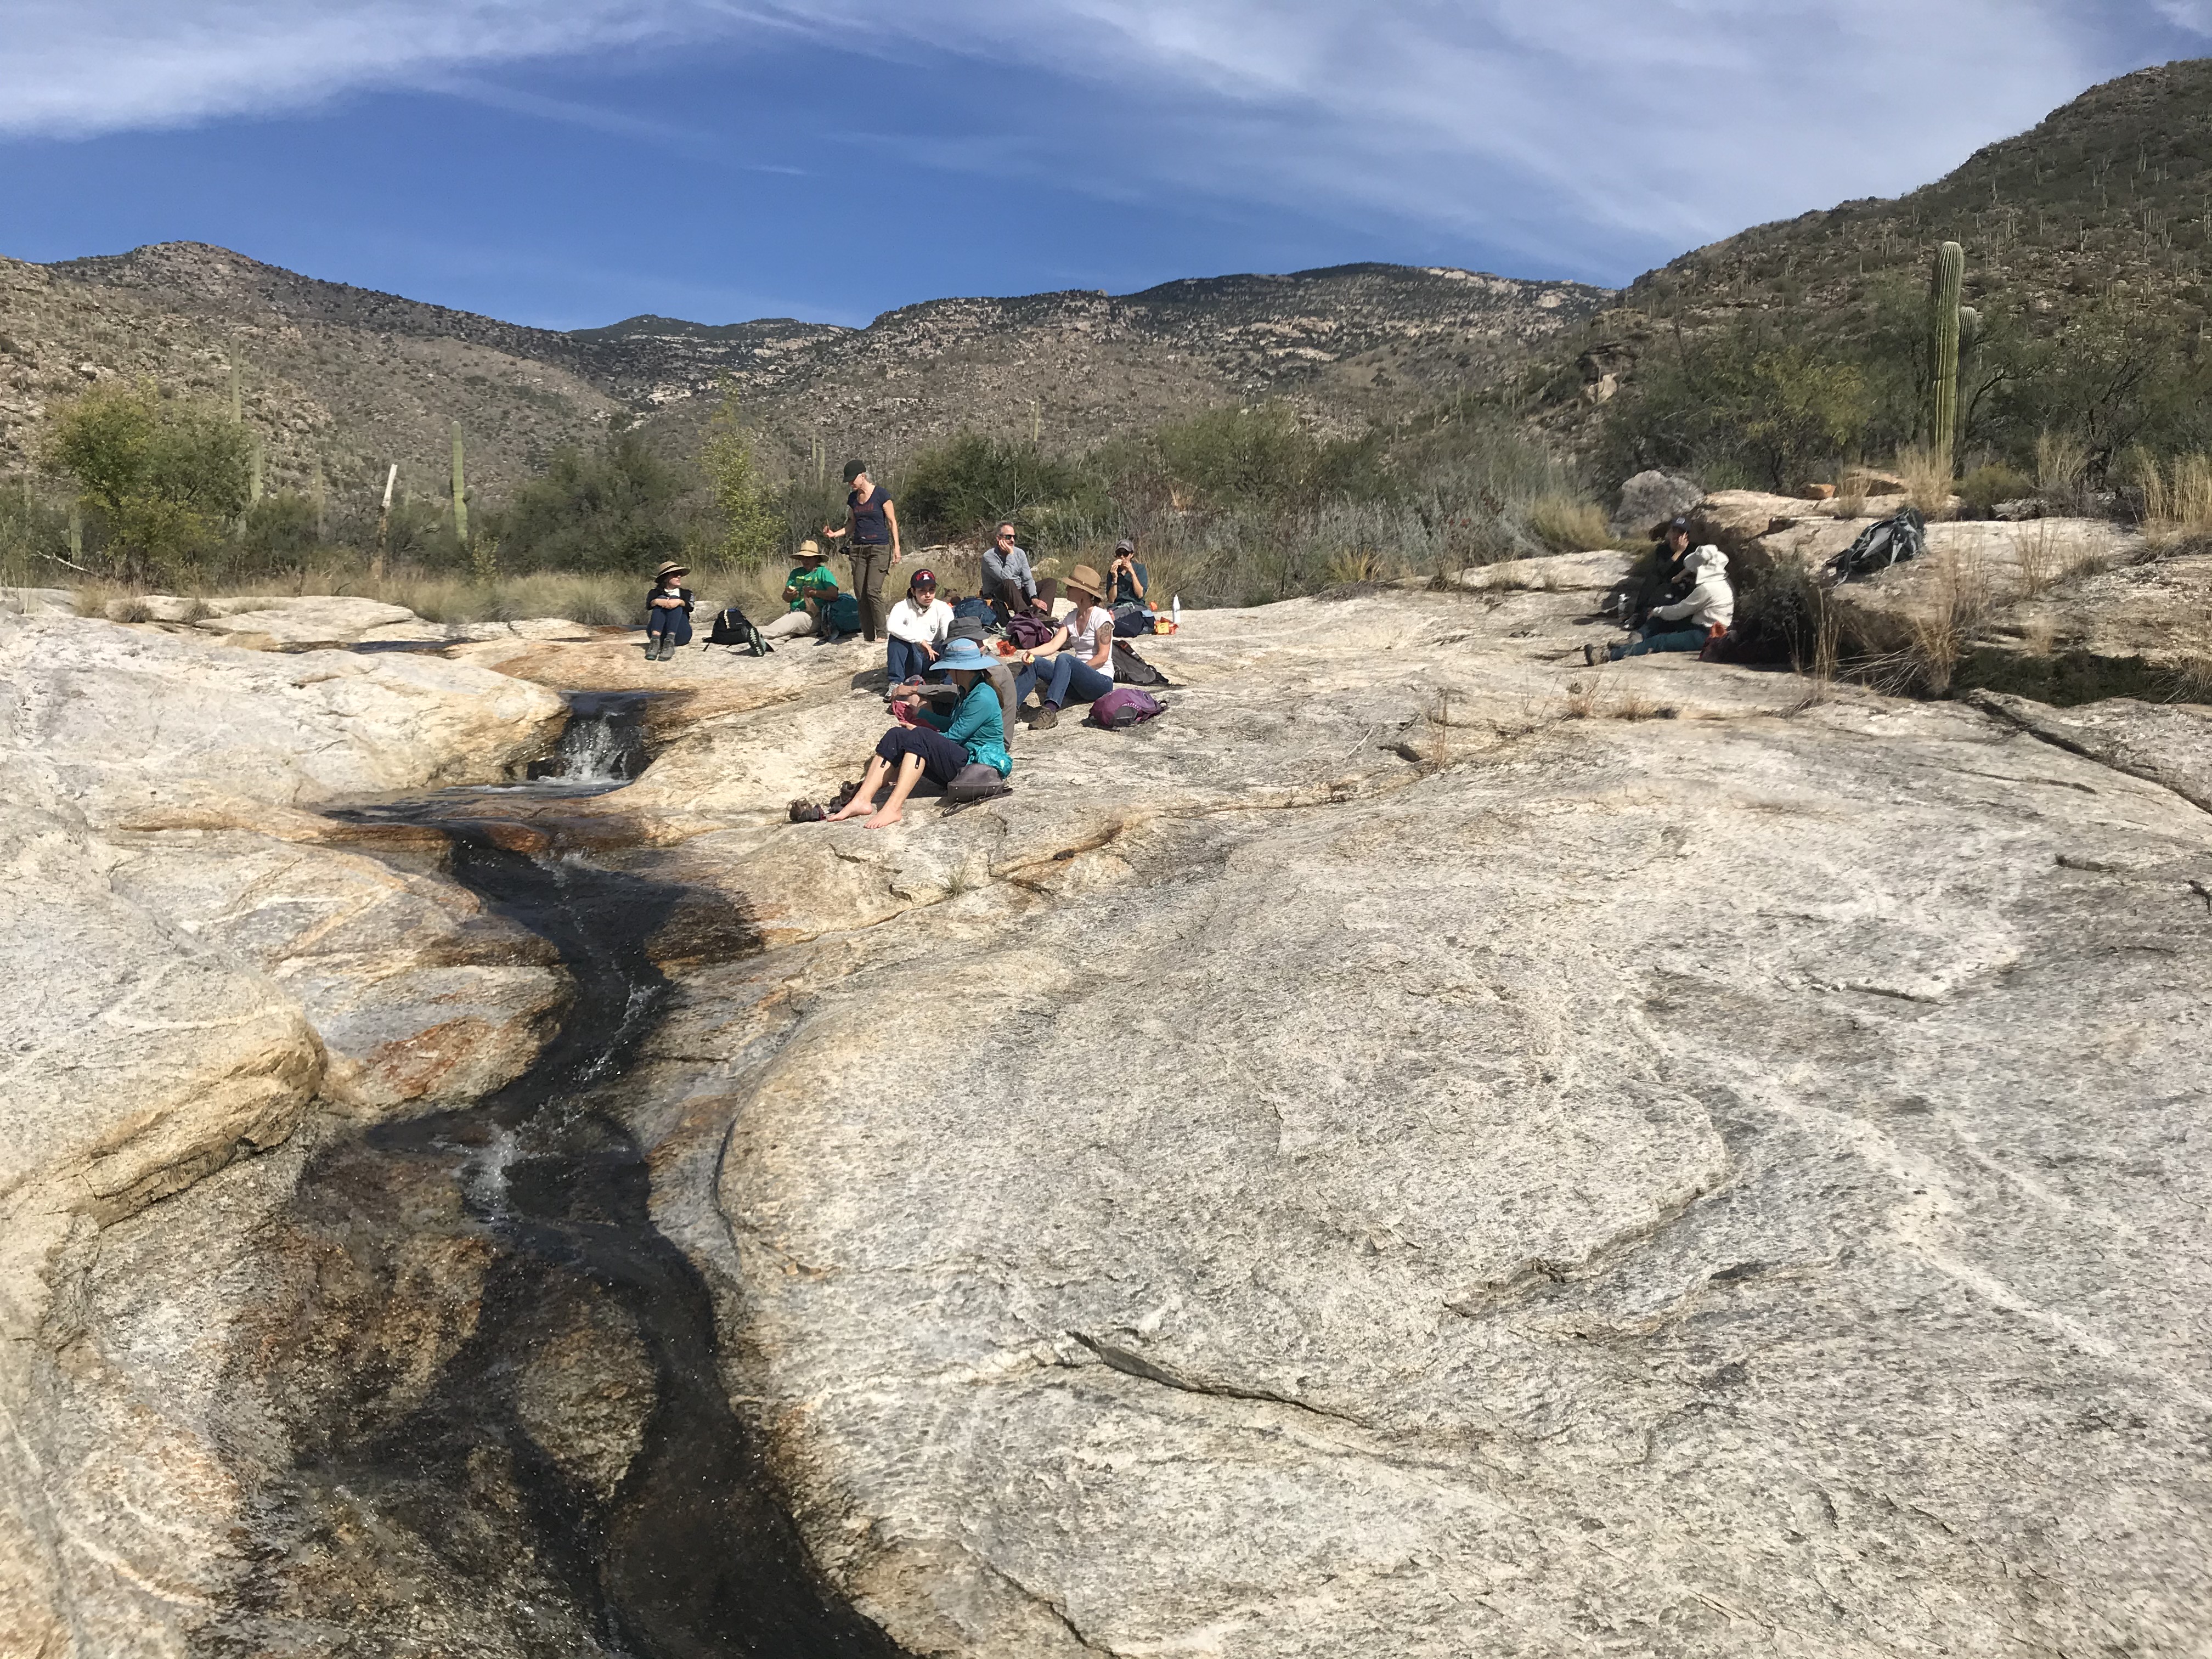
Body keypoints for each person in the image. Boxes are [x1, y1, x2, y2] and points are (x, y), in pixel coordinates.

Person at [826, 639, 1011, 828]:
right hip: (964, 763)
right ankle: (861, 800)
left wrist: (920, 732)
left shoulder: (982, 697)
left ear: (962, 669)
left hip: (977, 768)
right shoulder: (966, 691)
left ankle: (893, 808)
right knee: (896, 735)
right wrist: (920, 715)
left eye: (949, 668)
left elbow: (954, 737)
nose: (946, 672)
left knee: (920, 736)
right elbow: (953, 724)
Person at [1011, 563, 1115, 728]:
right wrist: (1030, 652)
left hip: (1100, 682)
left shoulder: (1102, 618)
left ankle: (1050, 711)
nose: (1066, 589)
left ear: (1083, 591)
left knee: (1064, 659)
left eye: (1070, 586)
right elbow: (1053, 645)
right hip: (1077, 682)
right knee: (1036, 662)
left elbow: (1103, 657)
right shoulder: (1071, 617)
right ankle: (1010, 708)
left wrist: (1076, 672)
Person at [1587, 545, 1734, 662]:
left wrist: (1658, 611)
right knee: (1661, 619)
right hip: (1701, 625)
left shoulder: (1707, 589)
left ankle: (1608, 655)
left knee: (1658, 641)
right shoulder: (1722, 581)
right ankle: (1634, 641)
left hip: (1705, 634)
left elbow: (1680, 611)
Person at [823, 460, 900, 644]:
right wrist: (835, 534)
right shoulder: (852, 499)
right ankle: (868, 636)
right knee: (861, 593)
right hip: (858, 549)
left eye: (853, 480)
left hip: (879, 548)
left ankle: (882, 633)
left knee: (873, 590)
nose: (851, 484)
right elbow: (851, 524)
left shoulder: (881, 495)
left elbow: (892, 522)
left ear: (863, 476)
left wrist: (896, 547)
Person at [761, 539, 841, 641]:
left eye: (809, 558)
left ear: (816, 559)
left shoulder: (824, 573)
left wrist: (815, 593)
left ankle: (760, 635)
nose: (805, 561)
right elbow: (785, 598)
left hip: (815, 615)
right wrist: (789, 594)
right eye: (803, 558)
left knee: (792, 620)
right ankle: (765, 645)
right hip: (795, 612)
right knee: (787, 630)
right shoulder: (795, 573)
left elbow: (834, 595)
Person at [885, 567, 953, 683]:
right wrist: (920, 641)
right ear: (913, 591)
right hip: (913, 660)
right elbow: (892, 626)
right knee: (895, 640)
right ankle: (895, 683)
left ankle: (948, 686)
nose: (928, 595)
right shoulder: (902, 607)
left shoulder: (942, 607)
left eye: (931, 590)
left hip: (936, 659)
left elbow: (947, 634)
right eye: (922, 590)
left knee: (950, 643)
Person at [981, 522, 1055, 622]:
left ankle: (1042, 615)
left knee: (1050, 582)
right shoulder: (989, 557)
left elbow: (1028, 578)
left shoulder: (1020, 553)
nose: (1012, 540)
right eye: (1008, 537)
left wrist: (1033, 597)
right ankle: (1026, 616)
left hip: (1018, 592)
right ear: (999, 538)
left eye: (1014, 537)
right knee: (1008, 582)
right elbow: (1004, 577)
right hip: (1000, 595)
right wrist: (1010, 555)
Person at [644, 560, 694, 660]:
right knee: (661, 599)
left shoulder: (686, 593)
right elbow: (649, 606)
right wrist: (656, 601)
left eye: (680, 574)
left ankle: (670, 643)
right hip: (659, 634)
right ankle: (655, 642)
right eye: (675, 574)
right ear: (666, 578)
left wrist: (680, 602)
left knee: (676, 601)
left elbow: (691, 608)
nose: (679, 577)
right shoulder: (655, 593)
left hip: (680, 634)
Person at [1108, 537, 1153, 634]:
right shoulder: (1112, 572)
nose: (1122, 557)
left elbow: (1140, 594)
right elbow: (1112, 599)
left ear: (1131, 555)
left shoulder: (1140, 569)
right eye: (1119, 554)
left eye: (1126, 554)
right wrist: (1115, 578)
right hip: (1118, 606)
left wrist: (1132, 572)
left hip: (1135, 605)